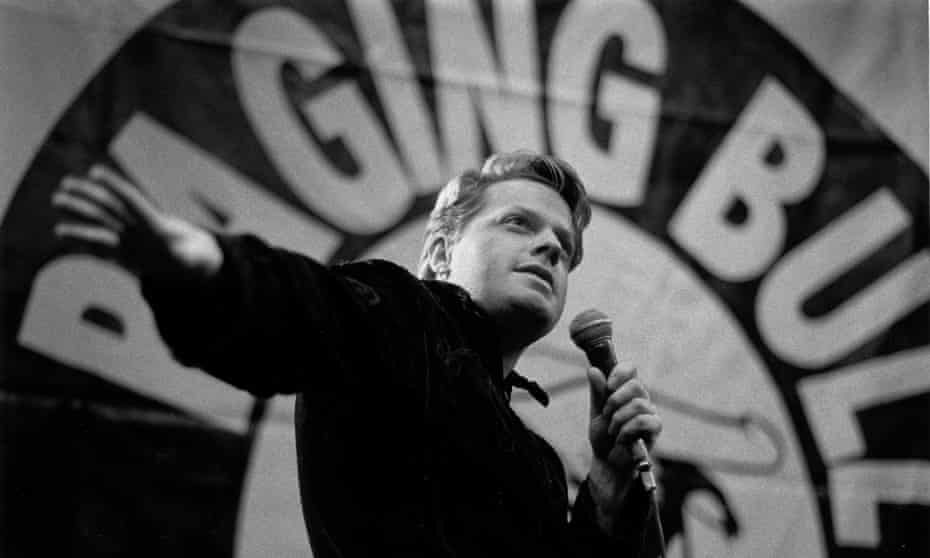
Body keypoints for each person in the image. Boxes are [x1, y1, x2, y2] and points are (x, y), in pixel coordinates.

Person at [52, 151, 662, 557]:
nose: (551, 248)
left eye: (564, 244)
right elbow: (309, 310)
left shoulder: (541, 466)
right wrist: (208, 269)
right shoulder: (401, 318)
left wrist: (609, 499)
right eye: (518, 224)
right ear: (441, 255)